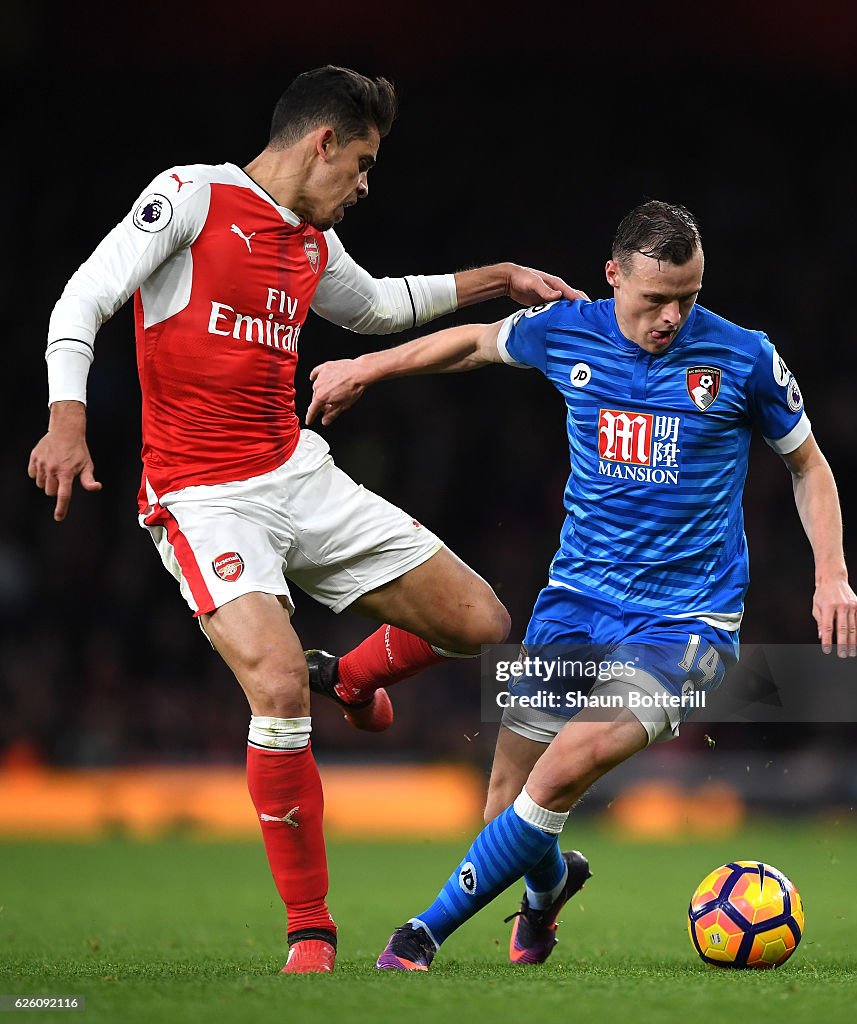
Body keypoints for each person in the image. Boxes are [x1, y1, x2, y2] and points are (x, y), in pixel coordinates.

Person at [27, 65, 586, 975]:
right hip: (203, 497)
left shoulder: (307, 242)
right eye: (361, 162)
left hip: (295, 472)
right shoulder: (191, 197)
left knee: (480, 621)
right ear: (322, 141)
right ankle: (311, 932)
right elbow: (83, 298)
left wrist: (503, 279)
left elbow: (374, 308)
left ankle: (355, 680)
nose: (366, 184)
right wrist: (66, 416)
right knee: (278, 690)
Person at [306, 200, 857, 971]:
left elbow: (806, 463)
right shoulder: (568, 328)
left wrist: (830, 575)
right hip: (575, 601)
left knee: (562, 769)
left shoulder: (742, 358)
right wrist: (364, 365)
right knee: (505, 803)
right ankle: (547, 891)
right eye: (653, 298)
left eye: (688, 298)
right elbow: (473, 341)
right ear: (612, 277)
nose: (670, 316)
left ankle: (419, 935)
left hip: (684, 623)